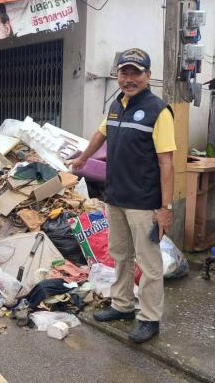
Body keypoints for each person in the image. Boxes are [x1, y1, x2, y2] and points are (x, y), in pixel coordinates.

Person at [68, 48, 176, 343]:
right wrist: (82, 159)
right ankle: (123, 305)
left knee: (149, 264)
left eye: (135, 73)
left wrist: (166, 208)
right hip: (115, 196)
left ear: (148, 76)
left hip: (143, 202)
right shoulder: (117, 105)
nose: (129, 79)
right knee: (120, 255)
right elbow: (101, 133)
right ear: (117, 76)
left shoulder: (158, 111)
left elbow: (167, 163)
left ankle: (150, 318)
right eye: (124, 72)